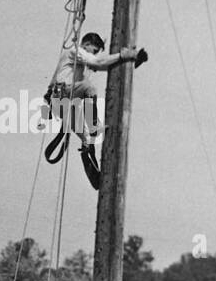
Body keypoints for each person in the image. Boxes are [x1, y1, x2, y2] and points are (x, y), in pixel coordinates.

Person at [43, 30, 148, 189]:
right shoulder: (75, 51)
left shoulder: (74, 61)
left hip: (60, 101)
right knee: (89, 88)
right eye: (94, 51)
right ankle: (94, 126)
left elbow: (102, 66)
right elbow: (98, 63)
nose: (94, 55)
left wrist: (129, 61)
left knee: (86, 139)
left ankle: (96, 175)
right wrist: (124, 55)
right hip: (63, 94)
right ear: (86, 44)